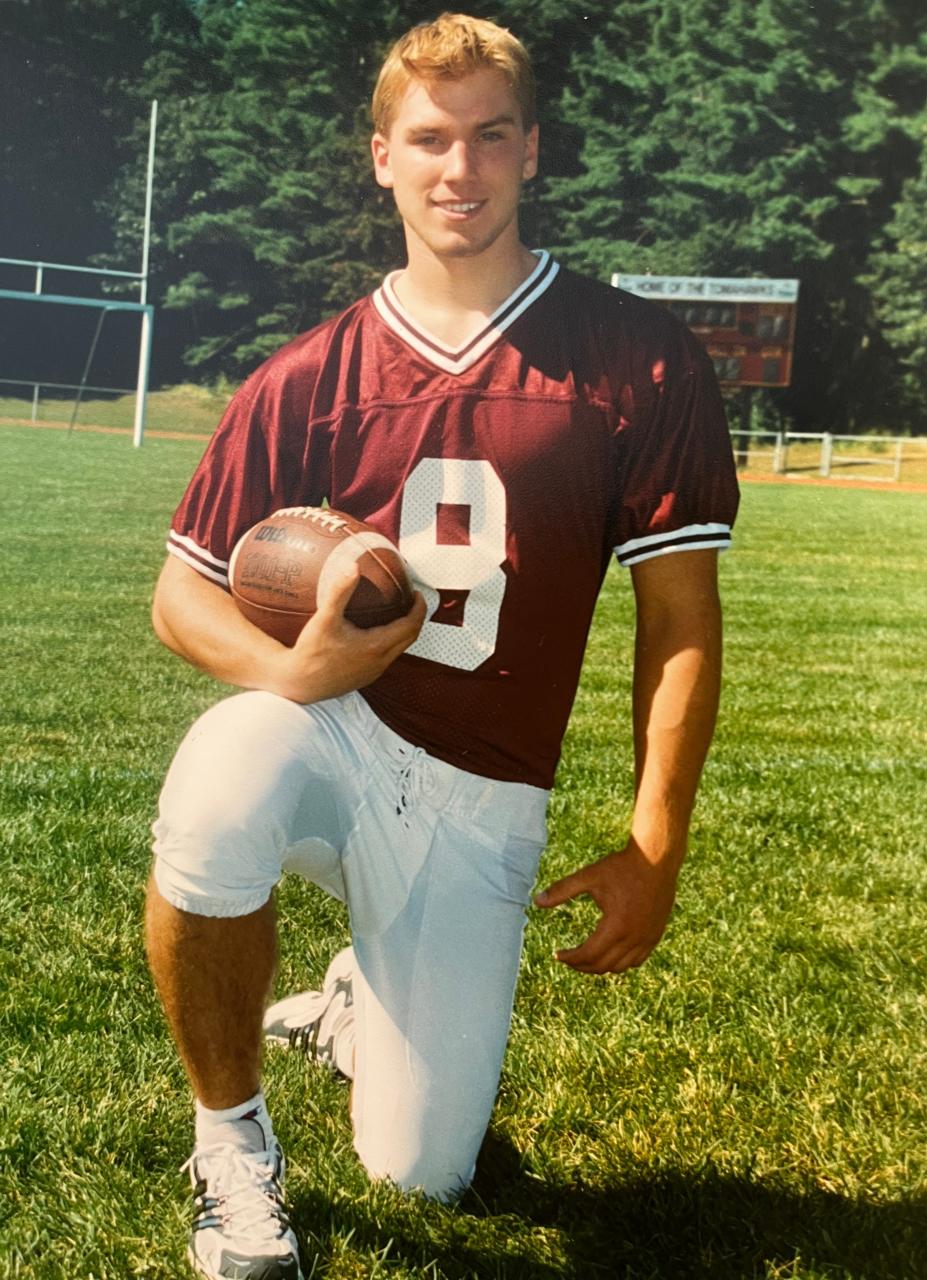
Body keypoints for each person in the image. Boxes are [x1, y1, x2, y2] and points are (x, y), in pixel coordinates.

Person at [146, 12, 740, 1280]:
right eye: (429, 138)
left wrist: (655, 841)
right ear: (381, 155)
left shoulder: (638, 359)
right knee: (220, 775)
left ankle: (366, 993)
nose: (457, 169)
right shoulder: (308, 375)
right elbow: (180, 596)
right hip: (334, 735)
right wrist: (285, 672)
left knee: (423, 1170)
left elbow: (680, 621)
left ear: (534, 152)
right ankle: (232, 1141)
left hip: (486, 796)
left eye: (488, 137)